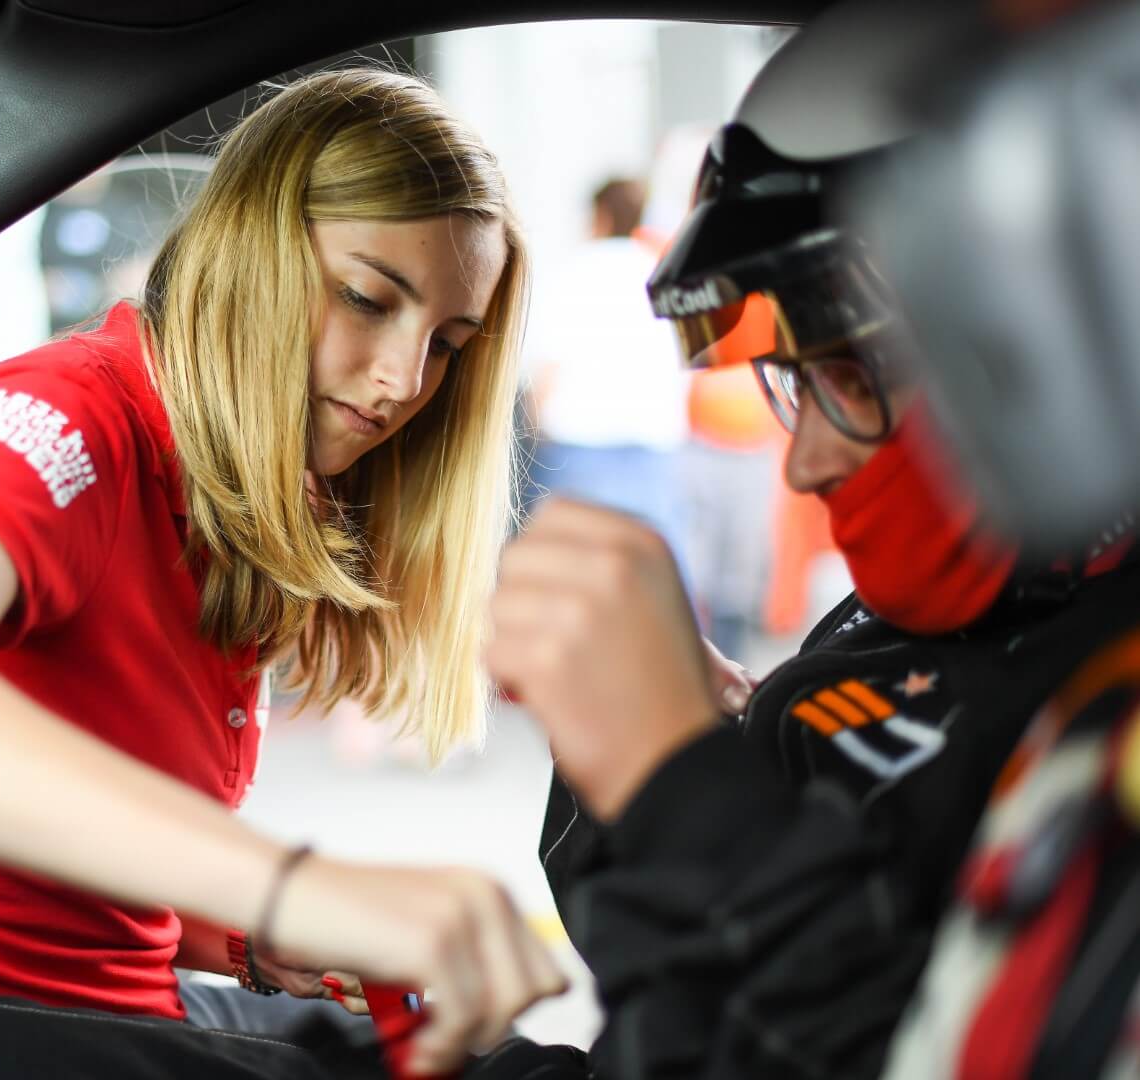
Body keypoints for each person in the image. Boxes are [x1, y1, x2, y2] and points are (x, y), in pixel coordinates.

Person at [0, 67, 565, 1077]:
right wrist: (290, 885)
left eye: (448, 345)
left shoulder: (248, 485)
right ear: (250, 251)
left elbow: (56, 869)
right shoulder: (72, 420)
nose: (405, 382)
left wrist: (247, 935)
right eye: (368, 298)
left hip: (124, 1014)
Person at [477, 6, 1140, 1077]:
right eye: (798, 382)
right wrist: (650, 757)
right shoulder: (952, 635)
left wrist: (679, 788)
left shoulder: (1099, 723)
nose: (806, 462)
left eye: (850, 374)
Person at [520, 176, 691, 576]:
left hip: (579, 451)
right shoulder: (661, 273)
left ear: (600, 215)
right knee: (647, 581)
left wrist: (531, 431)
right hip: (652, 451)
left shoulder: (574, 269)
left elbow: (548, 366)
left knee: (562, 576)